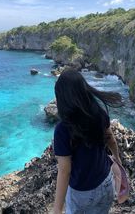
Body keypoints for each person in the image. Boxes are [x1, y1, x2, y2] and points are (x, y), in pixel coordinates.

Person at [53, 68, 123, 214]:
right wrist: (117, 159)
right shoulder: (97, 112)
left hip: (82, 194)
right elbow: (111, 140)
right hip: (106, 182)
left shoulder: (63, 129)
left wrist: (57, 208)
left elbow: (64, 171)